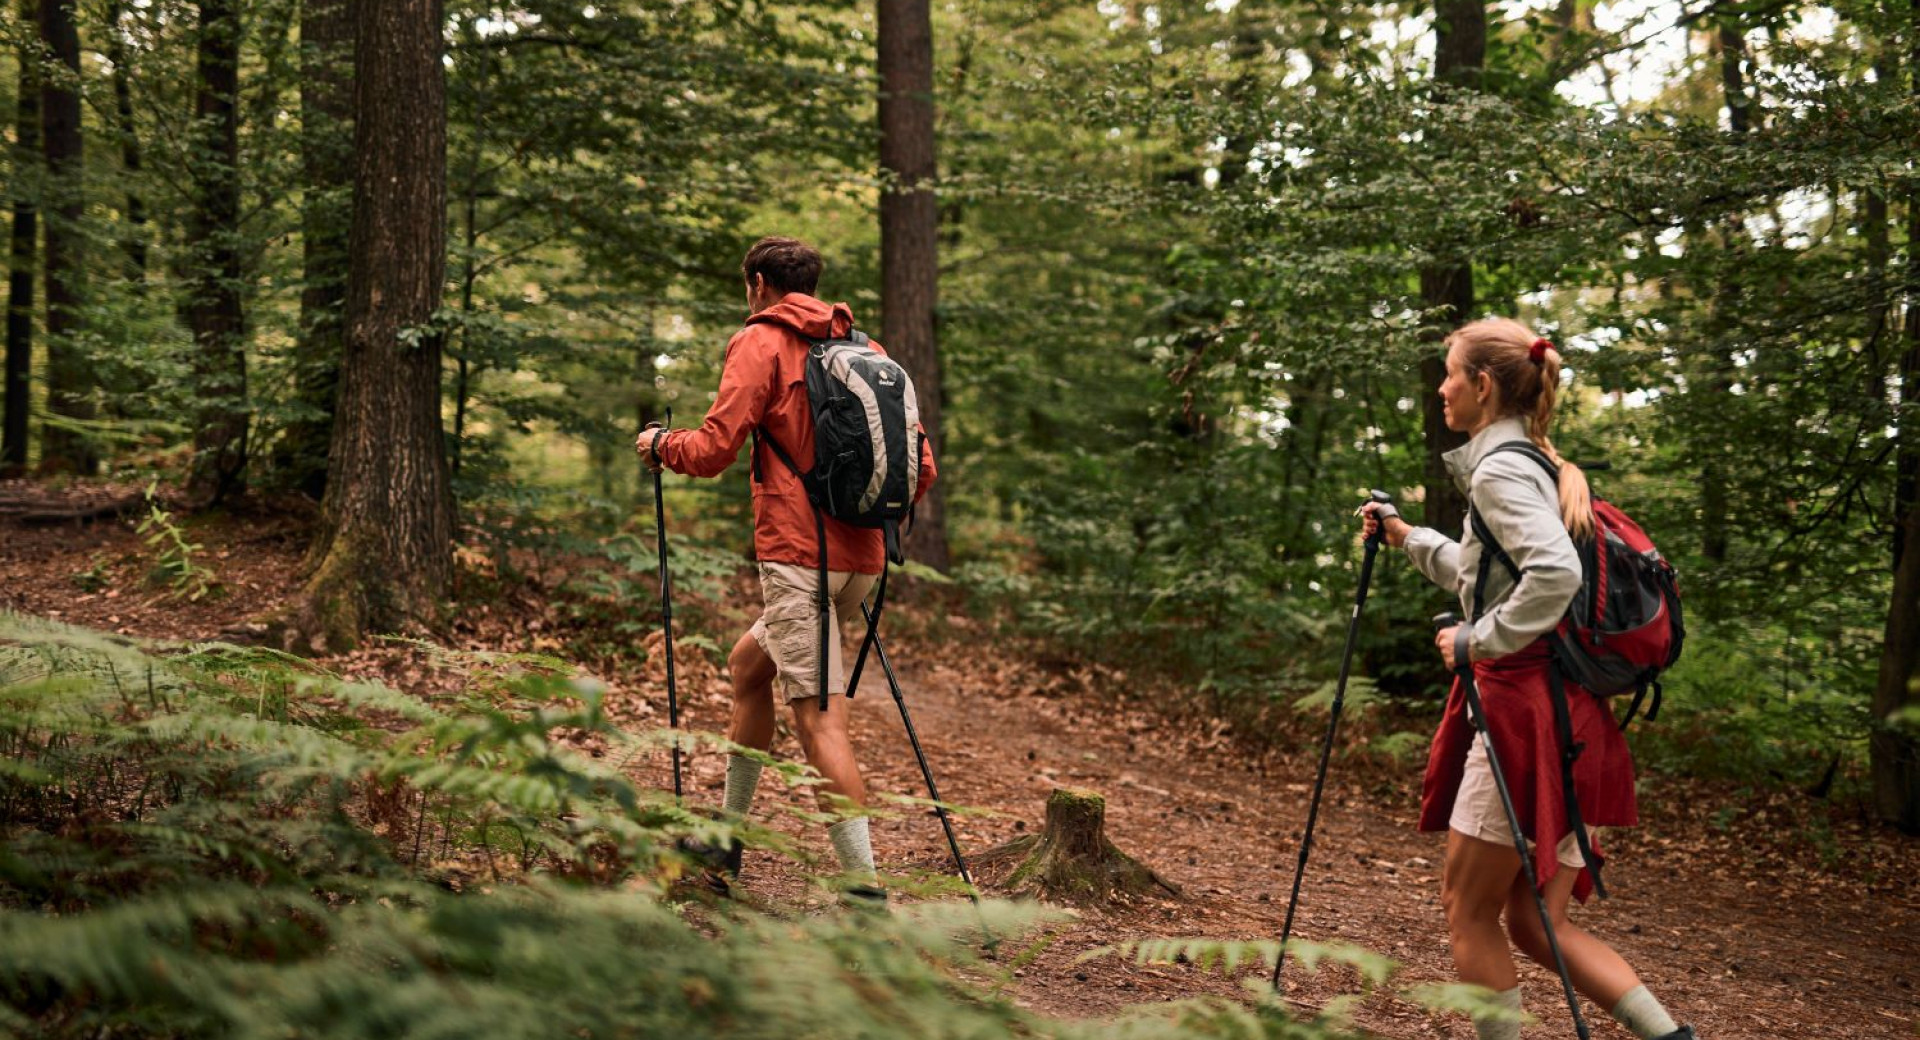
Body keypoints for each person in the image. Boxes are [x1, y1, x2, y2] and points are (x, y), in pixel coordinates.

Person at [1361, 318, 1696, 1040]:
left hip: (1525, 717)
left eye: (1451, 373)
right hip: (1571, 716)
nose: (1442, 387)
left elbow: (1553, 573)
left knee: (1468, 910)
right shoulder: (1535, 463)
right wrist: (1407, 535)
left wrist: (1476, 641)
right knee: (1536, 922)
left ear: (1483, 385)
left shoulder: (1502, 469)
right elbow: (1490, 576)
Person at [635, 236, 936, 905]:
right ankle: (726, 841)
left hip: (799, 557)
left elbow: (713, 448)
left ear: (759, 284)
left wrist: (661, 444)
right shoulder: (870, 352)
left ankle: (865, 897)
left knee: (820, 722)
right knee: (749, 667)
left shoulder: (760, 342)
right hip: (863, 560)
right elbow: (924, 471)